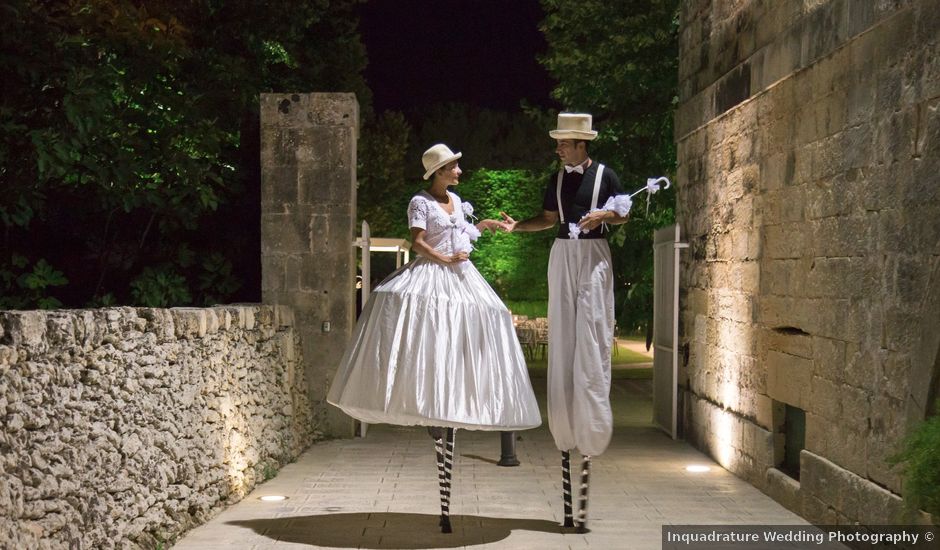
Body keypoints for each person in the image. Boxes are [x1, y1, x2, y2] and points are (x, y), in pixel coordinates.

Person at [328, 143, 541, 534]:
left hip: (462, 277)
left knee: (486, 315)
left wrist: (486, 227)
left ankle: (456, 393)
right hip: (432, 274)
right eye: (454, 168)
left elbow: (464, 233)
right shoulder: (420, 202)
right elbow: (418, 243)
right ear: (439, 172)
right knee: (422, 322)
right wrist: (444, 260)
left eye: (457, 167)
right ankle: (427, 397)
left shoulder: (457, 201)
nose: (459, 172)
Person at [499, 113, 632, 533]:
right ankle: (565, 426)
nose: (558, 149)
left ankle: (592, 425)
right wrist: (517, 227)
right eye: (558, 143)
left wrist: (604, 218)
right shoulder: (555, 180)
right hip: (562, 253)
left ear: (581, 144)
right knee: (562, 338)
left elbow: (622, 213)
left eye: (563, 143)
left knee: (592, 336)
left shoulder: (606, 176)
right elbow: (546, 218)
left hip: (593, 256)